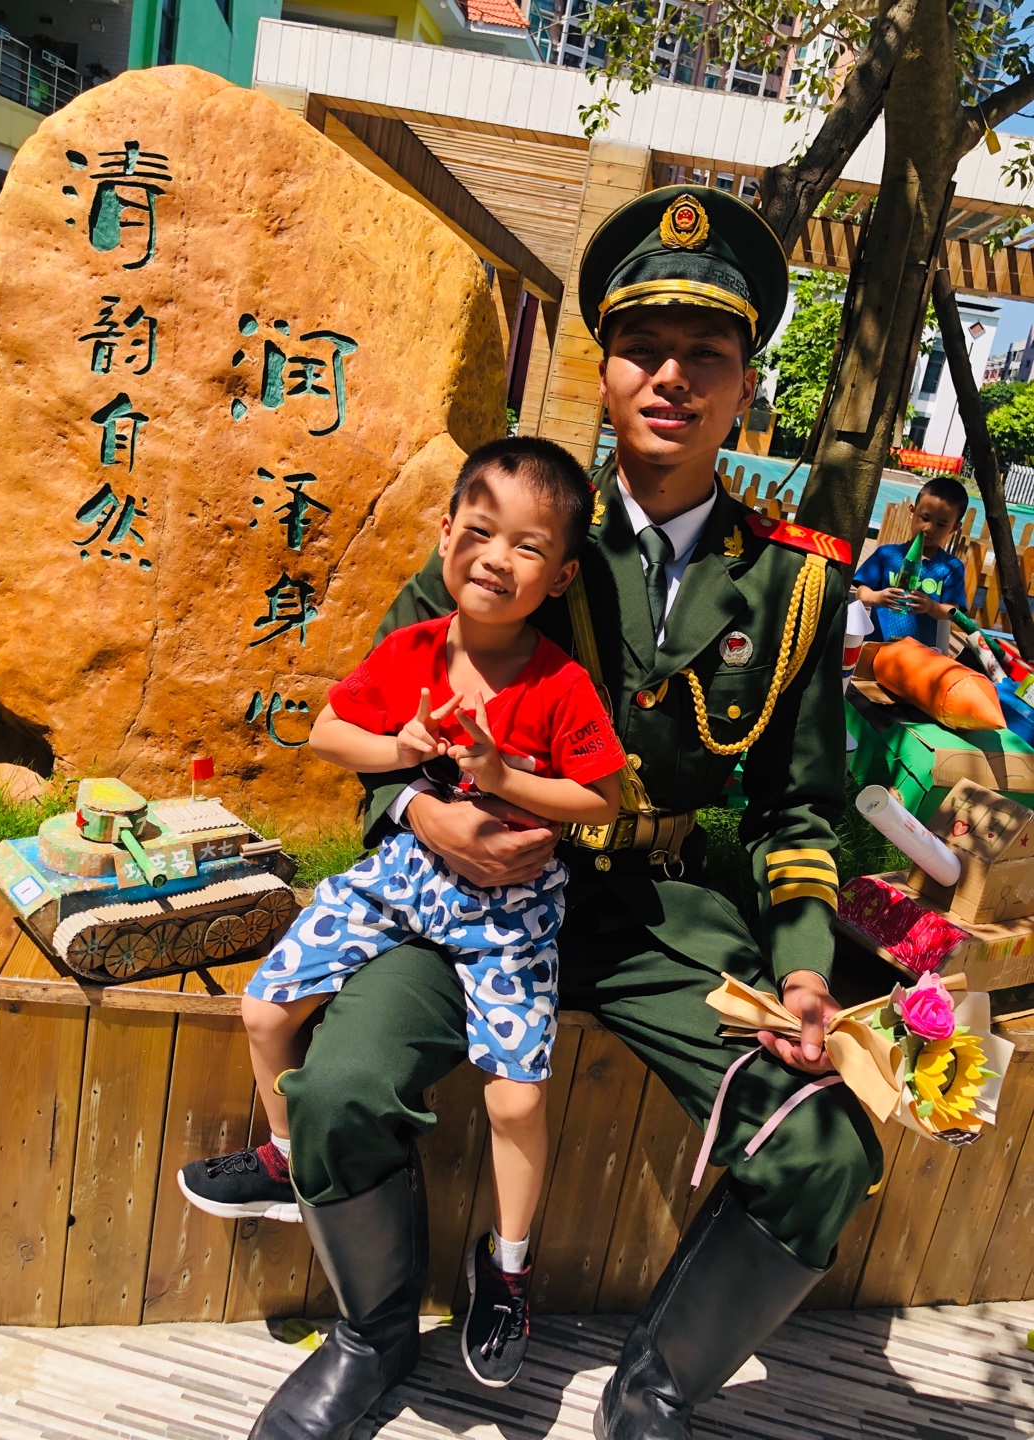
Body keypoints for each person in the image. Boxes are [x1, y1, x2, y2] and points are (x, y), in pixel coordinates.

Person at [245, 185, 884, 1440]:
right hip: (469, 898)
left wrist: (806, 972)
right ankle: (372, 1337)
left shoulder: (793, 584)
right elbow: (383, 721)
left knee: (823, 1151)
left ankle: (654, 1389)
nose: (671, 377)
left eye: (705, 354)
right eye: (643, 347)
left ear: (745, 385)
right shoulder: (517, 528)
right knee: (339, 1089)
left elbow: (798, 811)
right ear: (605, 370)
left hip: (659, 923)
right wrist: (420, 815)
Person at [179, 437, 624, 1385]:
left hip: (510, 912)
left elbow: (602, 798)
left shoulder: (560, 683)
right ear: (446, 532)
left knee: (517, 1096)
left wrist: (505, 777)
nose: (497, 558)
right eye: (481, 531)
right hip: (407, 876)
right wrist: (403, 748)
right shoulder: (412, 650)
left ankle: (508, 1267)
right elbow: (330, 730)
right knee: (265, 1007)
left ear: (560, 575)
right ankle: (287, 1159)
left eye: (529, 546)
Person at [854, 477, 969, 646]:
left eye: (941, 524)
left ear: (955, 528)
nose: (929, 528)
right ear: (912, 511)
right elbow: (860, 593)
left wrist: (932, 607)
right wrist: (877, 597)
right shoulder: (886, 555)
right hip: (877, 646)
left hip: (920, 653)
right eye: (925, 518)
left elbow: (952, 611)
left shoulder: (951, 567)